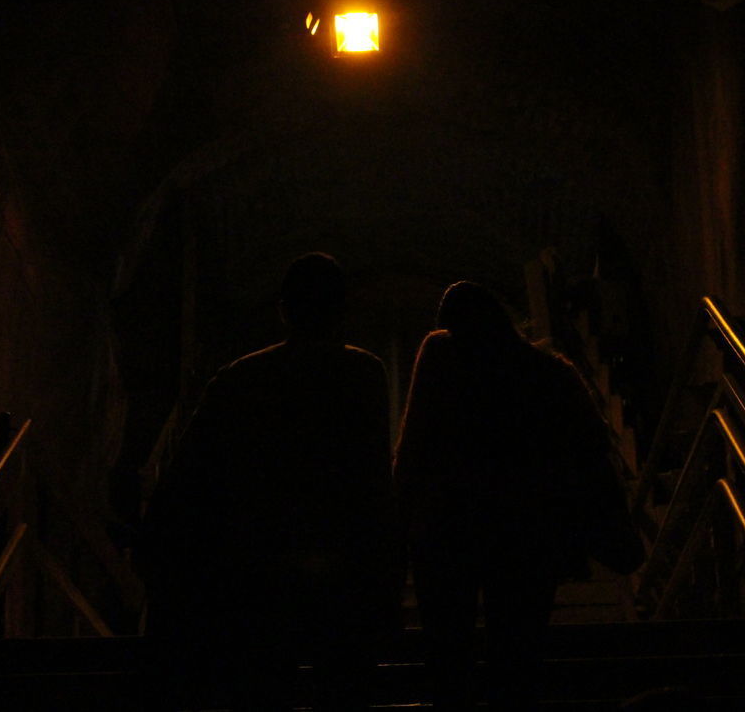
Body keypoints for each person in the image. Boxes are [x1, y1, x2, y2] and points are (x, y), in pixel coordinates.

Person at [141, 252, 401, 711]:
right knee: (345, 689)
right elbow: (374, 480)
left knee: (263, 688)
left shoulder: (242, 378)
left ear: (284, 308)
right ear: (341, 310)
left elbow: (192, 469)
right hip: (344, 563)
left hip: (259, 565)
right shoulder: (364, 374)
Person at [393, 280, 615, 710]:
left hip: (446, 530)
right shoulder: (547, 371)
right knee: (517, 658)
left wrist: (398, 518)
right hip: (526, 532)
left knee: (447, 653)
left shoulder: (440, 356)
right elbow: (591, 444)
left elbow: (414, 444)